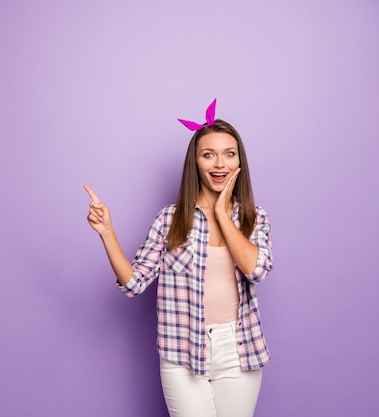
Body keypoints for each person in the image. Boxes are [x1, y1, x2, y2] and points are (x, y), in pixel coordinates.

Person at [84, 99, 273, 417]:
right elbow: (133, 283)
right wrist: (107, 233)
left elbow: (256, 270)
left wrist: (223, 215)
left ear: (239, 161)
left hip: (238, 349)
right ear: (195, 162)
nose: (219, 164)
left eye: (229, 153)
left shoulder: (255, 219)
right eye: (208, 154)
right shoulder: (170, 220)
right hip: (180, 348)